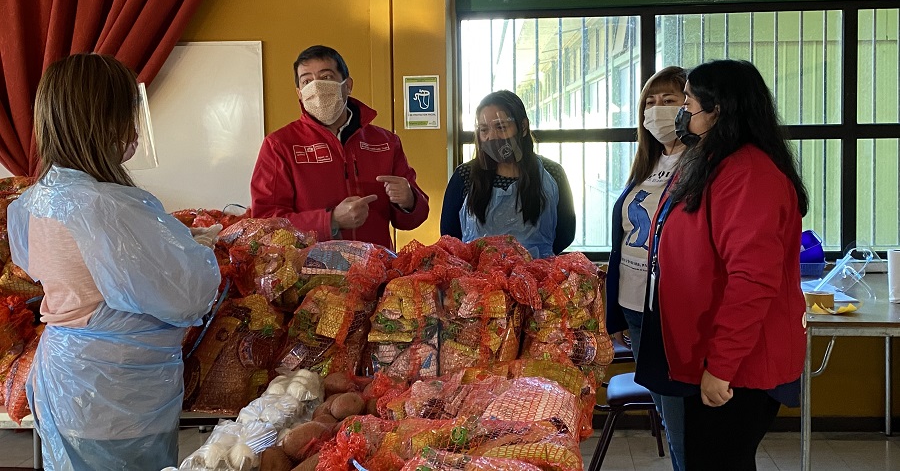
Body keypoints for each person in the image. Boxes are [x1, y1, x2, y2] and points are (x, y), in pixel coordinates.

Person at [7, 53, 222, 470]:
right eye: (128, 116)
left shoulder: (38, 198)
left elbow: (63, 269)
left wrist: (170, 242)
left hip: (68, 380)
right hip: (114, 395)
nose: (133, 129)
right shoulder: (105, 206)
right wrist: (198, 252)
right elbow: (187, 295)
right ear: (103, 122)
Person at [635, 59, 808, 470]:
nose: (682, 113)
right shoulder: (711, 161)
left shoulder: (749, 174)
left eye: (688, 102)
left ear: (719, 110)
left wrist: (722, 366)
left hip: (738, 365)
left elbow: (752, 280)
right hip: (707, 352)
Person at [250, 45, 429, 250]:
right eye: (307, 81)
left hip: (376, 265)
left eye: (326, 77)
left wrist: (409, 200)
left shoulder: (386, 142)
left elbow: (415, 218)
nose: (316, 87)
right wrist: (330, 221)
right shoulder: (279, 145)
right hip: (310, 268)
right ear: (299, 93)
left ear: (347, 85)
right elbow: (266, 225)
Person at [605, 66, 688, 471]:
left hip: (670, 312)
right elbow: (622, 241)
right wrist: (615, 313)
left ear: (689, 107)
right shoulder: (647, 163)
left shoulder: (700, 163)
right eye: (649, 103)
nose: (657, 110)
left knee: (682, 423)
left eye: (668, 100)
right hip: (635, 307)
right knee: (668, 414)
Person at [440, 90, 575, 258]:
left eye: (501, 127)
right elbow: (449, 237)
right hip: (478, 274)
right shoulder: (464, 176)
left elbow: (566, 233)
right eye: (484, 130)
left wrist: (529, 262)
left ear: (523, 127)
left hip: (536, 273)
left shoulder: (552, 173)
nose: (492, 137)